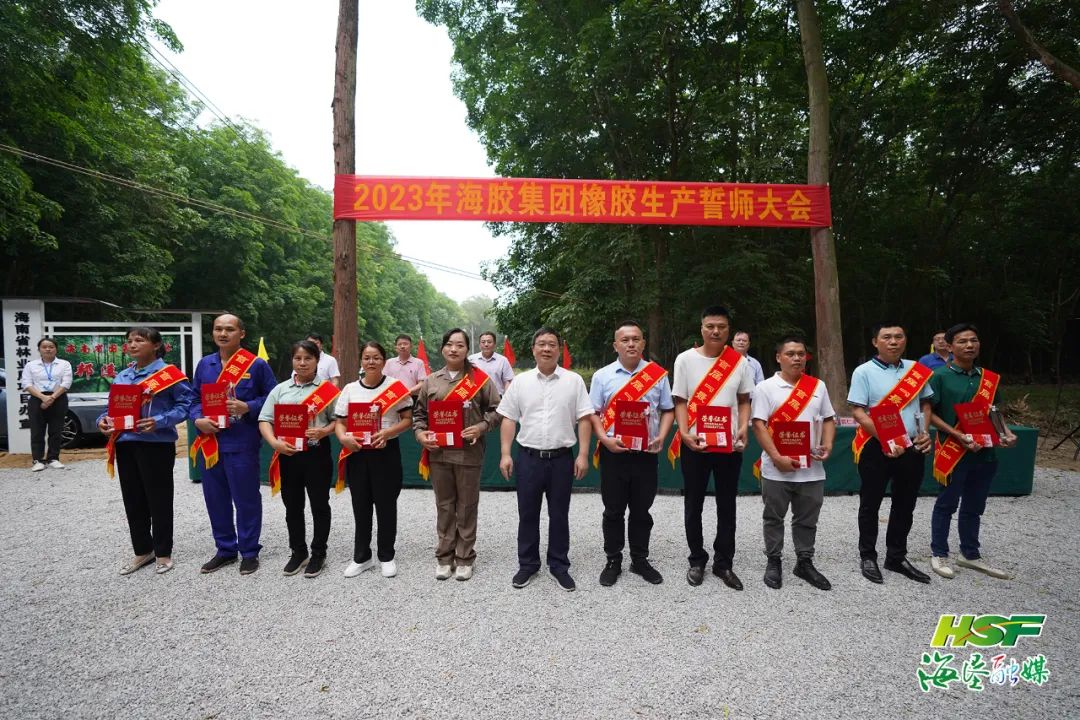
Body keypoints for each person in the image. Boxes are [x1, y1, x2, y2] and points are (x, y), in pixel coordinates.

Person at [498, 328, 593, 592]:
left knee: (559, 514)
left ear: (559, 349)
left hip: (562, 459)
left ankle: (559, 565)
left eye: (552, 344)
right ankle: (528, 564)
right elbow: (508, 418)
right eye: (541, 344)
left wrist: (583, 454)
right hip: (529, 458)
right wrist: (505, 453)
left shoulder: (574, 381)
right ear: (533, 349)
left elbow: (585, 418)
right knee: (527, 513)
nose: (547, 348)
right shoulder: (521, 382)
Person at [96, 327, 193, 575]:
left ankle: (163, 552)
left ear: (156, 345)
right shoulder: (123, 376)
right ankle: (142, 550)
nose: (132, 344)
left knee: (159, 499)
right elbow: (110, 408)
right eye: (129, 341)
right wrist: (102, 421)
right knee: (133, 498)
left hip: (156, 444)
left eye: (139, 340)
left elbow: (186, 405)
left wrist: (159, 421)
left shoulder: (170, 375)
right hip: (125, 443)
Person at [671, 306, 754, 590]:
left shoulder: (738, 362)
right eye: (710, 326)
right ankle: (696, 559)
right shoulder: (685, 360)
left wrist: (743, 426)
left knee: (727, 505)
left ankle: (723, 563)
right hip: (695, 445)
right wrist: (684, 433)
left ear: (728, 330)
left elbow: (744, 400)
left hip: (728, 446)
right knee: (693, 504)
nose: (715, 331)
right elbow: (680, 401)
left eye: (721, 326)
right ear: (702, 328)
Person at [928, 323, 1017, 580]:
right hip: (954, 450)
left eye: (974, 340)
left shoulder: (988, 378)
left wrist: (1005, 433)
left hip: (985, 452)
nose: (969, 345)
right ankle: (939, 553)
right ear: (949, 346)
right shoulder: (939, 376)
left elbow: (994, 412)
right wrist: (957, 435)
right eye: (963, 341)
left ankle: (970, 554)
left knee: (975, 506)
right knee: (946, 504)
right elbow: (929, 413)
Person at [588, 321, 674, 587]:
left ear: (643, 343)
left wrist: (662, 437)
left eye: (636, 339)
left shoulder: (656, 375)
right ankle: (613, 559)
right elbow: (593, 412)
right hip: (614, 452)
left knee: (641, 510)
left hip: (646, 453)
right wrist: (604, 439)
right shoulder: (602, 376)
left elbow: (668, 409)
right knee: (613, 509)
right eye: (625, 340)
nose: (631, 344)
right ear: (616, 345)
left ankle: (639, 559)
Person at [190, 314, 277, 576]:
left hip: (241, 442)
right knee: (215, 499)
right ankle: (225, 549)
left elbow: (273, 398)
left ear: (242, 333)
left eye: (229, 329)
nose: (223, 333)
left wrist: (247, 406)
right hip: (210, 443)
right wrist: (198, 419)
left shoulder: (256, 365)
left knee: (246, 499)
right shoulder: (205, 365)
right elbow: (194, 399)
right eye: (218, 329)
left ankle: (249, 551)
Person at [848, 322, 934, 584]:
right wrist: (885, 439)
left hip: (912, 445)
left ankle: (896, 556)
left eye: (898, 336)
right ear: (875, 342)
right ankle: (868, 556)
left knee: (905, 503)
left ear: (905, 340)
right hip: (876, 446)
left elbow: (925, 404)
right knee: (870, 503)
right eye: (887, 337)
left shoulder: (916, 370)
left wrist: (924, 432)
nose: (893, 341)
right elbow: (858, 411)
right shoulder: (863, 371)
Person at [413, 328, 501, 581]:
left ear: (466, 350)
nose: (454, 349)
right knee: (444, 505)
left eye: (460, 345)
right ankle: (444, 556)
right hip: (439, 453)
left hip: (469, 454)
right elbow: (419, 415)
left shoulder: (480, 380)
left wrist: (482, 427)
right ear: (442, 348)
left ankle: (464, 557)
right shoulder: (431, 381)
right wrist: (421, 434)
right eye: (449, 344)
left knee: (467, 506)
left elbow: (497, 410)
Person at [750, 335, 836, 591]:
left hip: (812, 469)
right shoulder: (765, 387)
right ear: (779, 357)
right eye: (790, 354)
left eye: (801, 354)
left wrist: (828, 444)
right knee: (773, 517)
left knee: (807, 519)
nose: (797, 358)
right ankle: (773, 560)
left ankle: (804, 561)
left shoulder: (817, 386)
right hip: (776, 468)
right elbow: (759, 425)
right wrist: (777, 457)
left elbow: (828, 418)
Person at [258, 340, 339, 578]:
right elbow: (264, 419)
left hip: (317, 453)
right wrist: (274, 443)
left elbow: (340, 420)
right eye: (297, 358)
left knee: (319, 504)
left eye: (308, 358)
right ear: (292, 360)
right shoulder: (280, 389)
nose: (302, 363)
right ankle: (298, 551)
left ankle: (319, 553)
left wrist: (324, 431)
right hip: (288, 454)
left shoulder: (328, 391)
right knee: (292, 505)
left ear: (317, 361)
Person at [334, 341, 413, 579]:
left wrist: (388, 433)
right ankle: (362, 557)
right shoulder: (350, 389)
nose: (371, 362)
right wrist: (343, 438)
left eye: (376, 357)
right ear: (361, 361)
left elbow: (407, 419)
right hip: (358, 453)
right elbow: (340, 422)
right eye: (367, 357)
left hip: (385, 452)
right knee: (361, 505)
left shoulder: (395, 387)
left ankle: (386, 555)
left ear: (383, 361)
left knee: (386, 505)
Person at [21, 337, 73, 471]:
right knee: (37, 431)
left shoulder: (64, 364)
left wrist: (52, 398)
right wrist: (43, 398)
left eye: (51, 347)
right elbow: (26, 384)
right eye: (44, 347)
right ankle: (37, 460)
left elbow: (66, 383)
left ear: (56, 349)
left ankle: (53, 458)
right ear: (39, 350)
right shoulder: (31, 365)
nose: (48, 349)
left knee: (56, 430)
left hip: (58, 398)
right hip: (37, 398)